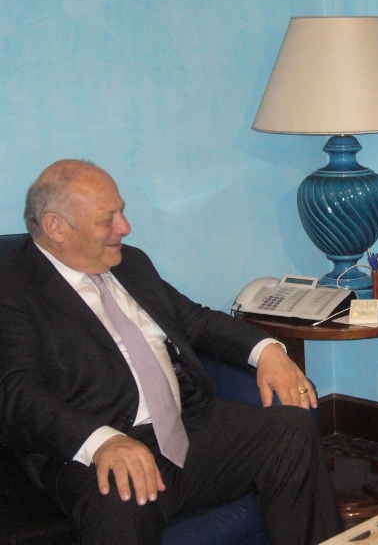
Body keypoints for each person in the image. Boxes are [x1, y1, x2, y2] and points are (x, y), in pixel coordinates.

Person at [0, 160, 344, 545]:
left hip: (186, 426)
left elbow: (195, 320)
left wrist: (267, 351)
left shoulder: (131, 263)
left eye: (121, 211)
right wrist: (101, 441)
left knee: (292, 430)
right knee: (121, 495)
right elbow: (16, 392)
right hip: (100, 446)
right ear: (55, 227)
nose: (124, 227)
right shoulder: (13, 285)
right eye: (107, 218)